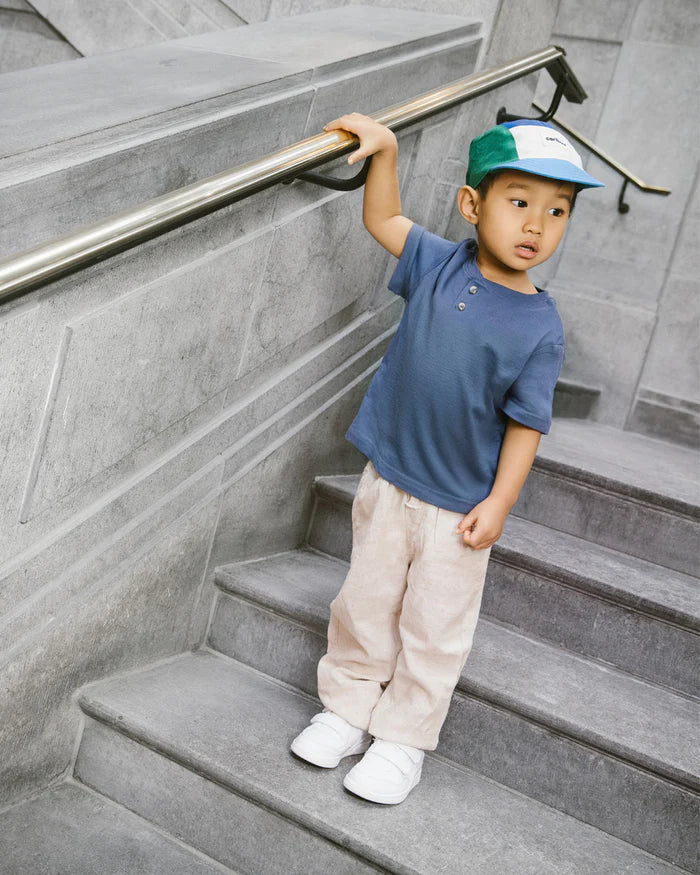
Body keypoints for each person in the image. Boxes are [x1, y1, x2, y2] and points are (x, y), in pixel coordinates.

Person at [290, 113, 604, 805]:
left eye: (557, 212)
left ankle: (403, 739)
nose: (536, 225)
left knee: (434, 627)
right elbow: (383, 218)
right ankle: (346, 709)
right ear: (473, 205)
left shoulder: (540, 325)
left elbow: (527, 424)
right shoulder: (438, 263)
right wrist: (387, 152)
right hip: (390, 477)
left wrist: (499, 503)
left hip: (458, 508)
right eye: (519, 202)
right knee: (365, 604)